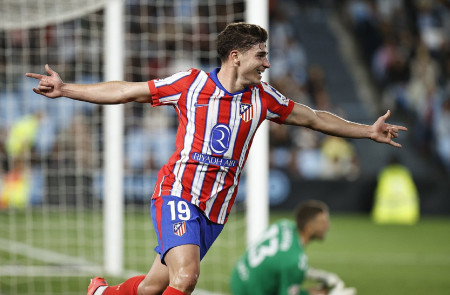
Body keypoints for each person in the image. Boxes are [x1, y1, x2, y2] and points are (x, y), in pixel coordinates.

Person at [25, 22, 407, 295]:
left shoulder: (264, 97)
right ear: (236, 56)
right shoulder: (191, 84)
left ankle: (100, 293)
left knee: (152, 287)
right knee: (186, 277)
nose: (267, 64)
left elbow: (314, 118)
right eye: (261, 55)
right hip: (177, 193)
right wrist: (68, 89)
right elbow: (127, 90)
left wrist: (366, 131)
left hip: (215, 211)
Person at [230, 200, 356, 295]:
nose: (328, 227)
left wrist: (312, 274)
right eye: (323, 223)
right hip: (251, 291)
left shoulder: (283, 224)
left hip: (239, 276)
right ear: (309, 227)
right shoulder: (295, 261)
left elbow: (278, 261)